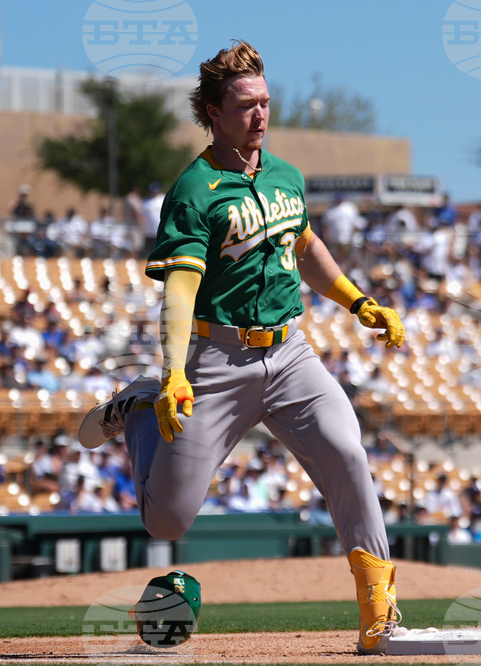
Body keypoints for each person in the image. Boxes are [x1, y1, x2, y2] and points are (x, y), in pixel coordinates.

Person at [76, 41, 404, 655]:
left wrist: (359, 301)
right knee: (168, 521)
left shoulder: (284, 176)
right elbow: (181, 285)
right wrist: (173, 370)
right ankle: (141, 407)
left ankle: (379, 608)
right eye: (246, 105)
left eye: (265, 102)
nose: (260, 115)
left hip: (291, 355)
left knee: (349, 457)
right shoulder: (194, 189)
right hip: (217, 361)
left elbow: (303, 247)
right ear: (212, 111)